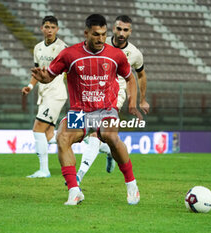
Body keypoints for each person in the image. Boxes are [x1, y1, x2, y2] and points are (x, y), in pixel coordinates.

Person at [31, 14, 143, 205]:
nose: (100, 39)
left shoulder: (115, 55)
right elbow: (50, 75)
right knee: (62, 137)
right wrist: (43, 78)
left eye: (103, 34)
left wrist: (132, 102)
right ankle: (75, 191)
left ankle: (131, 184)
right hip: (79, 112)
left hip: (106, 109)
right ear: (86, 33)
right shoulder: (70, 54)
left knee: (110, 136)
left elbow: (130, 78)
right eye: (96, 34)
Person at [77, 15, 150, 183]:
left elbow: (140, 75)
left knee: (95, 133)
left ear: (130, 31)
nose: (121, 33)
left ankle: (79, 175)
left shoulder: (135, 54)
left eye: (125, 30)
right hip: (91, 93)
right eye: (119, 29)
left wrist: (141, 100)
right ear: (113, 29)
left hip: (115, 96)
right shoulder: (100, 43)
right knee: (83, 133)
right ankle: (108, 150)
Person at [21, 16, 67, 178]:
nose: (49, 30)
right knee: (48, 135)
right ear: (42, 28)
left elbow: (70, 71)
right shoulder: (38, 48)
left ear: (57, 30)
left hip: (56, 94)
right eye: (47, 27)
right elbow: (37, 72)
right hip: (44, 94)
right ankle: (88, 141)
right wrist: (30, 86)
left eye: (53, 27)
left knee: (37, 129)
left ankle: (44, 170)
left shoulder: (63, 48)